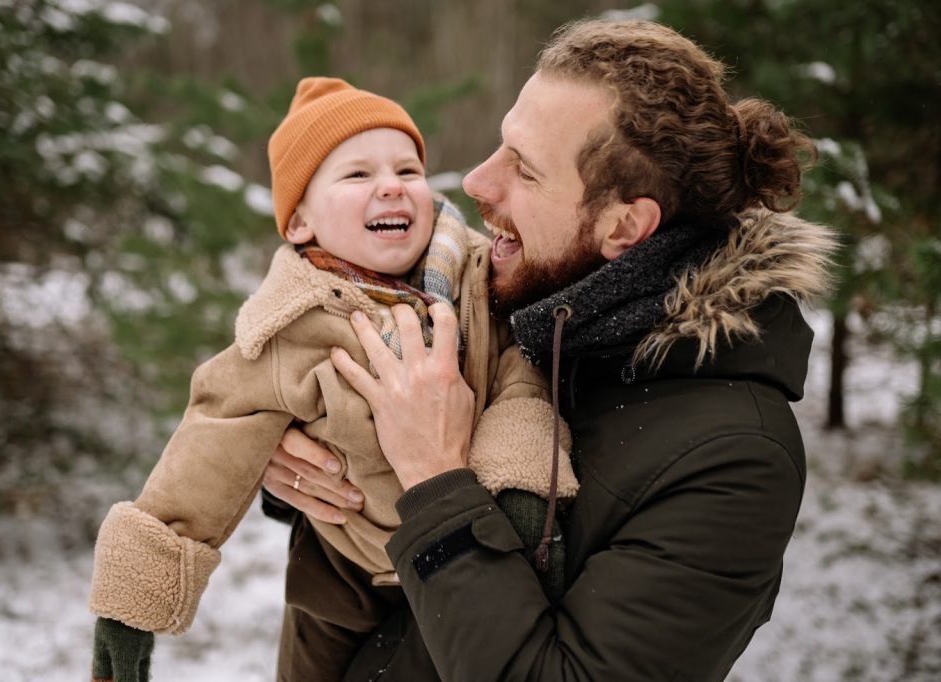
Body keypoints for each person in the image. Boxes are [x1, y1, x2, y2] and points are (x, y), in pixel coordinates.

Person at [271, 19, 838, 681]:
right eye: (501, 145)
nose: (478, 181)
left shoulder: (735, 460)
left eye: (526, 171)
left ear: (625, 225)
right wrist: (306, 457)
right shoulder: (502, 301)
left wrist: (434, 481)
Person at [86, 77, 577, 682]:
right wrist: (130, 606)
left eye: (407, 169)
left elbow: (521, 383)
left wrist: (527, 496)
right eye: (357, 176)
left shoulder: (479, 283)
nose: (392, 185)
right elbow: (207, 446)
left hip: (471, 548)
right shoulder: (289, 328)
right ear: (299, 224)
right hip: (343, 576)